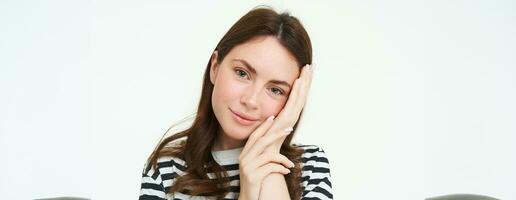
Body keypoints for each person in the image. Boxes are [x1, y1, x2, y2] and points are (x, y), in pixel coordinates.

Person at [139, 6, 332, 200]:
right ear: (215, 66)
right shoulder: (166, 169)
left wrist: (269, 152)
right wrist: (247, 194)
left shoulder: (309, 167)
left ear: (294, 99)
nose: (251, 100)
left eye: (275, 90)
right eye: (242, 73)